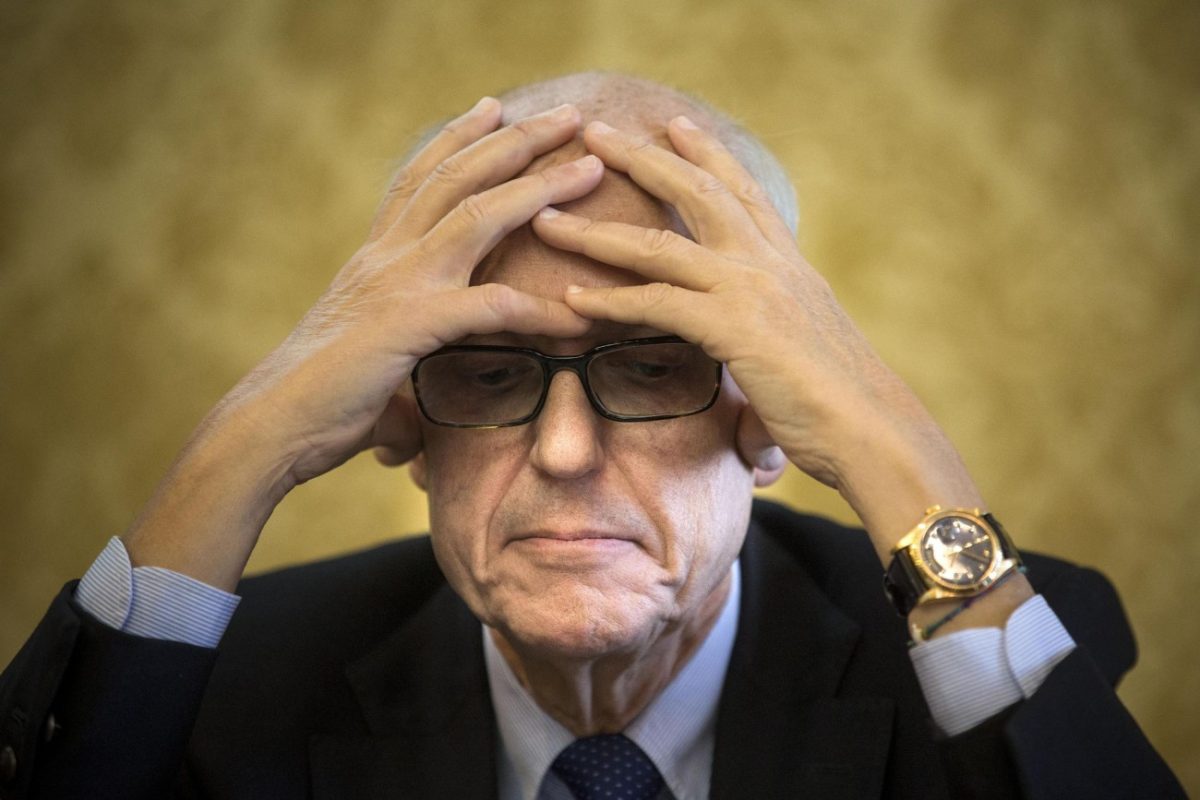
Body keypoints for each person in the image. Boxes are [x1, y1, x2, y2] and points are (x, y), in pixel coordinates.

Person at [0, 72, 1183, 799]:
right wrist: (248, 437)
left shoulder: (968, 656)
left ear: (772, 417)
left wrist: (896, 451)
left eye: (654, 364)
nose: (564, 450)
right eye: (487, 371)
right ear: (402, 416)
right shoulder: (232, 686)